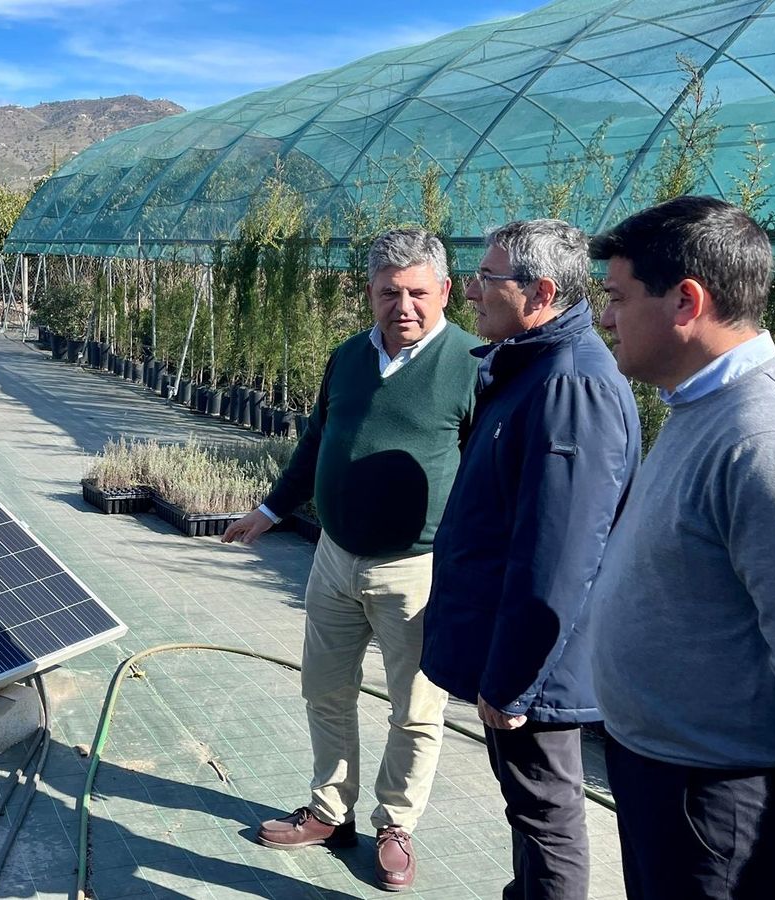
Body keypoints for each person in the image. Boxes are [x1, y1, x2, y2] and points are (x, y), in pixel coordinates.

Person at [589, 195, 775, 899]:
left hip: (723, 801)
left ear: (685, 302)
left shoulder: (772, 441)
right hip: (669, 776)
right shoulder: (703, 408)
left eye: (616, 297)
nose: (605, 318)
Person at [221, 227, 482, 892]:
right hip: (335, 558)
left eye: (418, 292)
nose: (404, 306)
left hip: (417, 571)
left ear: (445, 290)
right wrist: (272, 509)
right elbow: (316, 440)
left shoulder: (472, 365)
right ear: (368, 292)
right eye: (389, 292)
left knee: (416, 710)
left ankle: (395, 825)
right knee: (325, 691)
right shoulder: (347, 358)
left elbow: (487, 476)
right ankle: (331, 813)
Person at [420, 219, 638, 900]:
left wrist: (514, 679)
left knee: (546, 812)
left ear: (540, 292)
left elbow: (560, 553)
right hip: (518, 652)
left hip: (536, 661)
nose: (473, 292)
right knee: (529, 803)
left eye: (487, 278)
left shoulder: (569, 387)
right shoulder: (533, 365)